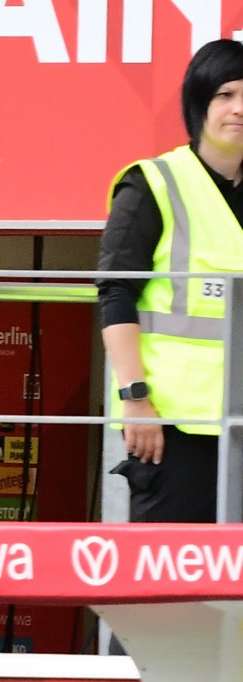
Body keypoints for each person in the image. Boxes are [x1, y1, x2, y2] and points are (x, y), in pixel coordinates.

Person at [99, 38, 243, 523]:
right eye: (225, 94)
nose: (238, 108)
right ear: (199, 103)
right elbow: (117, 294)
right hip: (173, 427)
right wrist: (135, 399)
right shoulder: (154, 183)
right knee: (174, 584)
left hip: (240, 423)